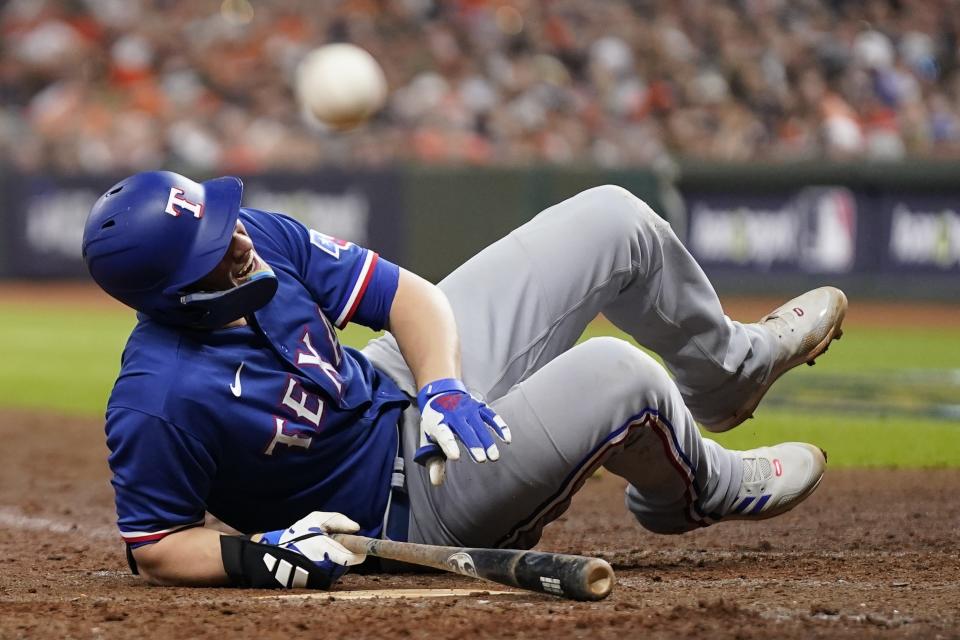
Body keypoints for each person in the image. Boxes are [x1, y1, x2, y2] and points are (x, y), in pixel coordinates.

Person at [81, 171, 846, 589]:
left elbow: (409, 299)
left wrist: (443, 386)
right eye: (213, 243)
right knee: (618, 375)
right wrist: (260, 554)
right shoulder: (157, 400)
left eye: (222, 219)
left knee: (615, 218)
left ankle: (728, 375)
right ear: (175, 291)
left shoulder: (261, 241)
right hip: (405, 512)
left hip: (403, 396)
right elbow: (156, 544)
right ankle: (700, 486)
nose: (236, 235)